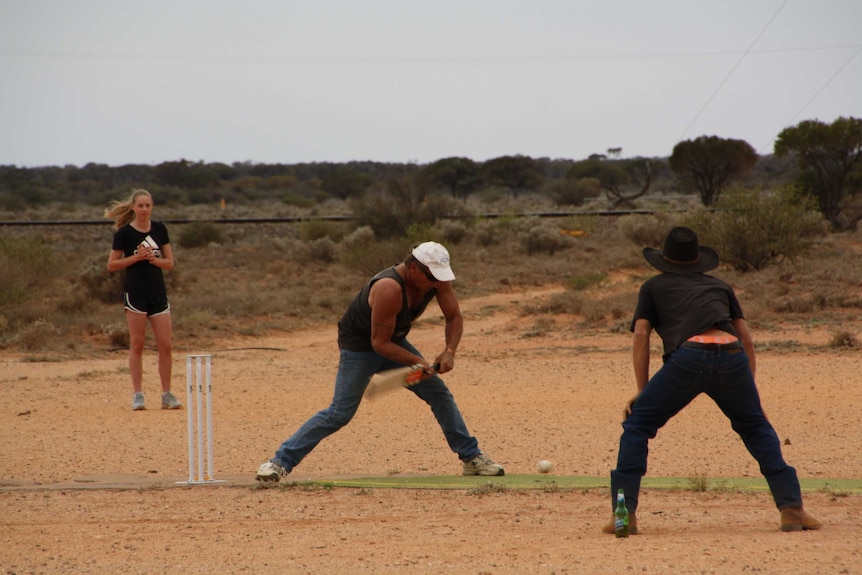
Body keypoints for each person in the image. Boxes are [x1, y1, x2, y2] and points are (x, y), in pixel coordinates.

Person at [604, 227, 822, 534]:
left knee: (638, 426)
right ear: (697, 260)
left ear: (664, 260)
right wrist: (750, 393)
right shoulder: (720, 286)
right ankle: (792, 509)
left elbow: (641, 335)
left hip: (689, 357)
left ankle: (624, 514)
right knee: (756, 427)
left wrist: (643, 391)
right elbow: (746, 339)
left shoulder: (653, 287)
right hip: (731, 354)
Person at [256, 241, 504, 481]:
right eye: (433, 277)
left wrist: (450, 350)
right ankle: (278, 463)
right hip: (361, 348)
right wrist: (417, 361)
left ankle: (471, 458)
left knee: (438, 392)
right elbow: (379, 344)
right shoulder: (389, 288)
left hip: (393, 342)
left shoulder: (437, 281)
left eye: (441, 277)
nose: (437, 282)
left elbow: (454, 316)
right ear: (414, 267)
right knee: (339, 413)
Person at [106, 188, 182, 411]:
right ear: (133, 207)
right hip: (135, 294)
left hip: (158, 293)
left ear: (152, 207)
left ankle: (166, 394)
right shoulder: (124, 233)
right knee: (137, 343)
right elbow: (111, 265)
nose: (144, 209)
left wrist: (154, 259)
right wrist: (136, 257)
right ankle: (138, 394)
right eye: (140, 206)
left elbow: (170, 263)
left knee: (165, 345)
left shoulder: (159, 229)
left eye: (148, 205)